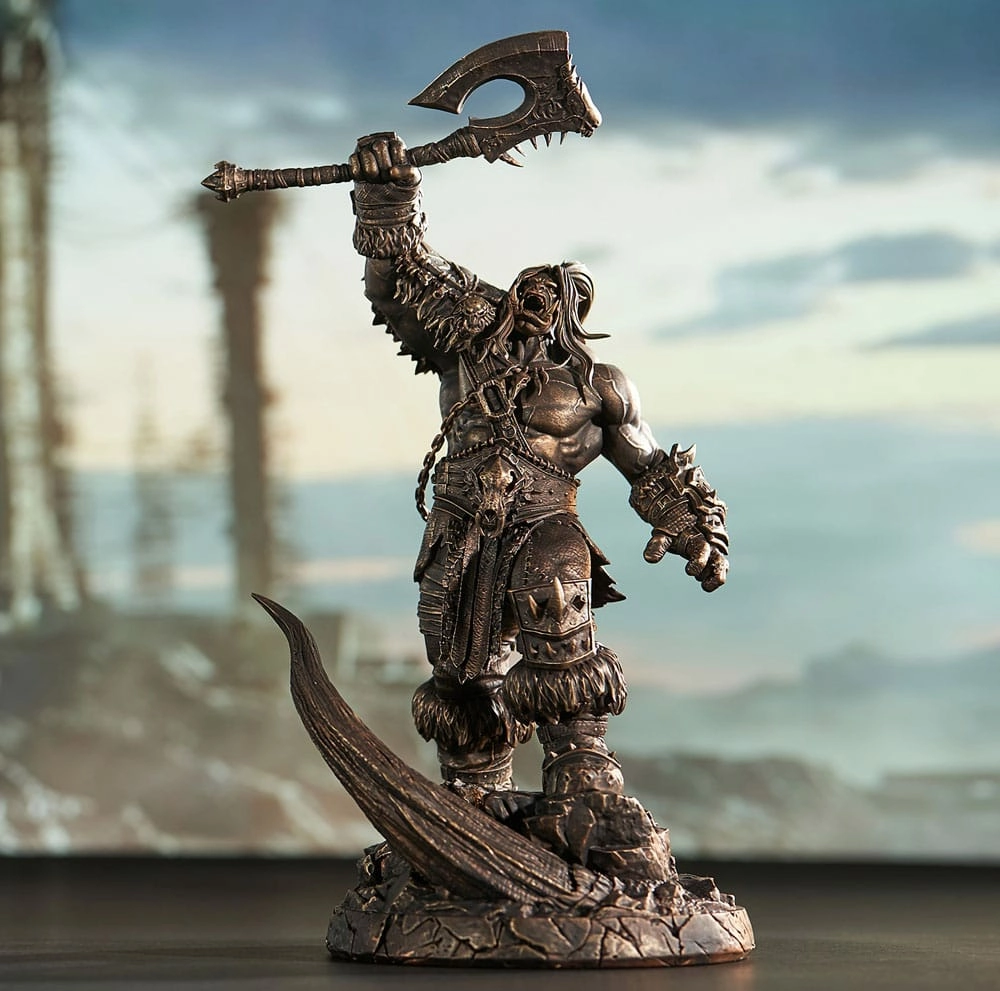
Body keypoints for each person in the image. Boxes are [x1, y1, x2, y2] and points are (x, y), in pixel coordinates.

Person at [349, 132, 728, 808]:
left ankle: (584, 785)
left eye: (555, 297)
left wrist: (695, 533)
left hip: (546, 529)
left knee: (561, 637)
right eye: (528, 290)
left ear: (573, 315)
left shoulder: (597, 386)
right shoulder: (464, 353)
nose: (538, 302)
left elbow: (647, 464)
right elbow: (398, 287)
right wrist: (387, 201)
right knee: (460, 670)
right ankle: (475, 796)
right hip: (462, 527)